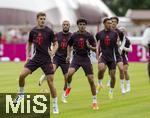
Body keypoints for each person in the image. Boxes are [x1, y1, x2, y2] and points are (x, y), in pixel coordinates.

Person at [14, 12, 59, 114]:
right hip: (35, 58)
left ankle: (55, 104)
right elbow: (29, 43)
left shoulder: (49, 31)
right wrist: (28, 56)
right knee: (22, 75)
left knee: (50, 82)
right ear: (37, 19)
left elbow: (56, 44)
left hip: (46, 60)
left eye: (44, 18)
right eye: (41, 18)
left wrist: (53, 51)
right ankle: (21, 94)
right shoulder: (33, 31)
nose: (43, 20)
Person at [65, 18, 99, 110]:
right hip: (76, 58)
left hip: (85, 58)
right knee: (69, 74)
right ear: (78, 25)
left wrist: (90, 47)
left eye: (84, 24)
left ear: (86, 25)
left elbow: (96, 48)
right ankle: (68, 87)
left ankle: (94, 101)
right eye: (80, 24)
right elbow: (69, 45)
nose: (82, 26)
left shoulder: (89, 36)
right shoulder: (74, 35)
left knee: (91, 80)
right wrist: (68, 55)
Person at [39, 20, 72, 103]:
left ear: (69, 26)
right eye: (64, 24)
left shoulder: (72, 36)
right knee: (52, 70)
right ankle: (45, 76)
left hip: (65, 60)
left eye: (67, 25)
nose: (65, 26)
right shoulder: (57, 35)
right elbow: (52, 43)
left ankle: (64, 95)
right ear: (62, 25)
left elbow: (72, 46)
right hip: (57, 57)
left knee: (67, 79)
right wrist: (51, 50)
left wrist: (69, 55)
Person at [96, 18, 119, 99]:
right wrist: (97, 54)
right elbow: (97, 45)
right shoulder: (99, 34)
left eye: (111, 23)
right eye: (108, 23)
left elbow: (117, 45)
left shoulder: (115, 34)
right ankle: (99, 83)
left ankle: (111, 91)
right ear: (104, 24)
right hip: (103, 56)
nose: (110, 24)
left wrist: (118, 54)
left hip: (112, 57)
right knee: (101, 69)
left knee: (112, 75)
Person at [106, 17, 126, 94]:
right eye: (112, 21)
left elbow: (124, 39)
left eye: (115, 22)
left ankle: (122, 87)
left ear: (117, 23)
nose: (113, 23)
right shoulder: (107, 31)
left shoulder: (119, 32)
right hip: (109, 53)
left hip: (117, 53)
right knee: (111, 70)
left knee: (121, 69)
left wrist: (121, 47)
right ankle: (110, 78)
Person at [119, 27, 132, 92]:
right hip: (116, 56)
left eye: (123, 31)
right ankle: (122, 87)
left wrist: (123, 48)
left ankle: (128, 86)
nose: (122, 32)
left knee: (125, 71)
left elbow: (131, 50)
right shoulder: (115, 38)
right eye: (121, 31)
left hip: (124, 56)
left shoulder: (127, 40)